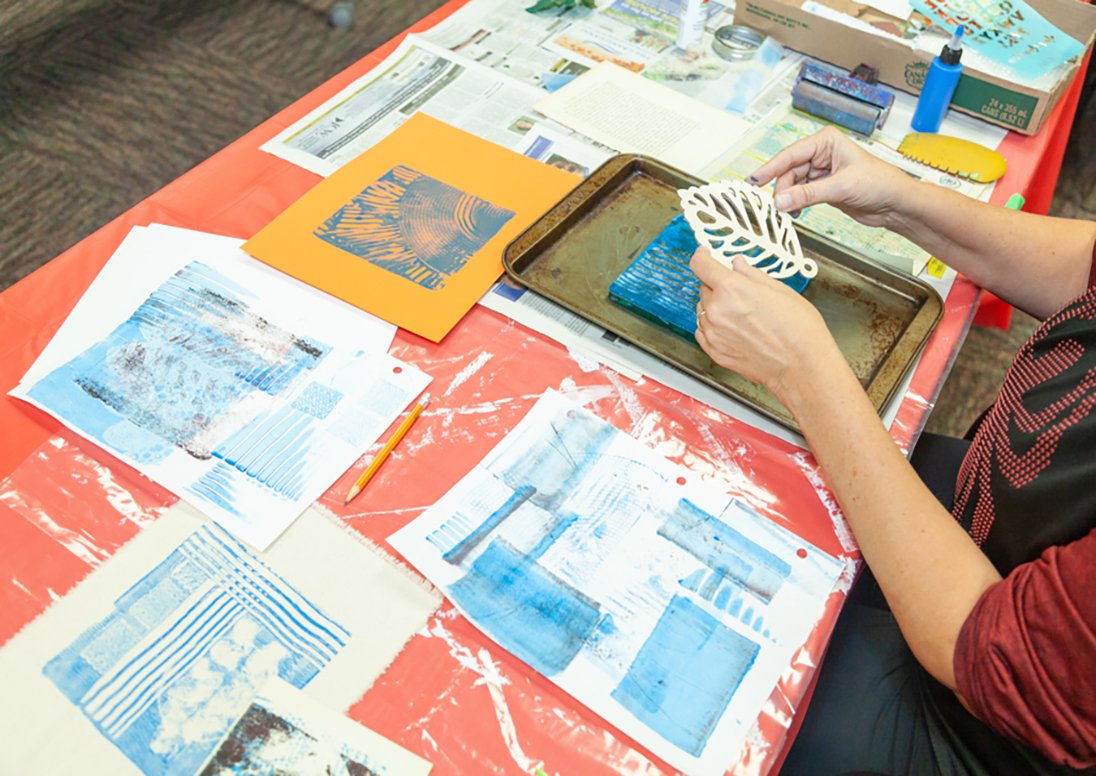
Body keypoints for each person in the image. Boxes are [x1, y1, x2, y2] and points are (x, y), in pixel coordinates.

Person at [689, 127, 1095, 775]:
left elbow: (990, 656)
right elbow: (1087, 268)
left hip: (991, 722)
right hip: (1012, 524)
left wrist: (807, 371)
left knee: (711, 675)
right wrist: (899, 202)